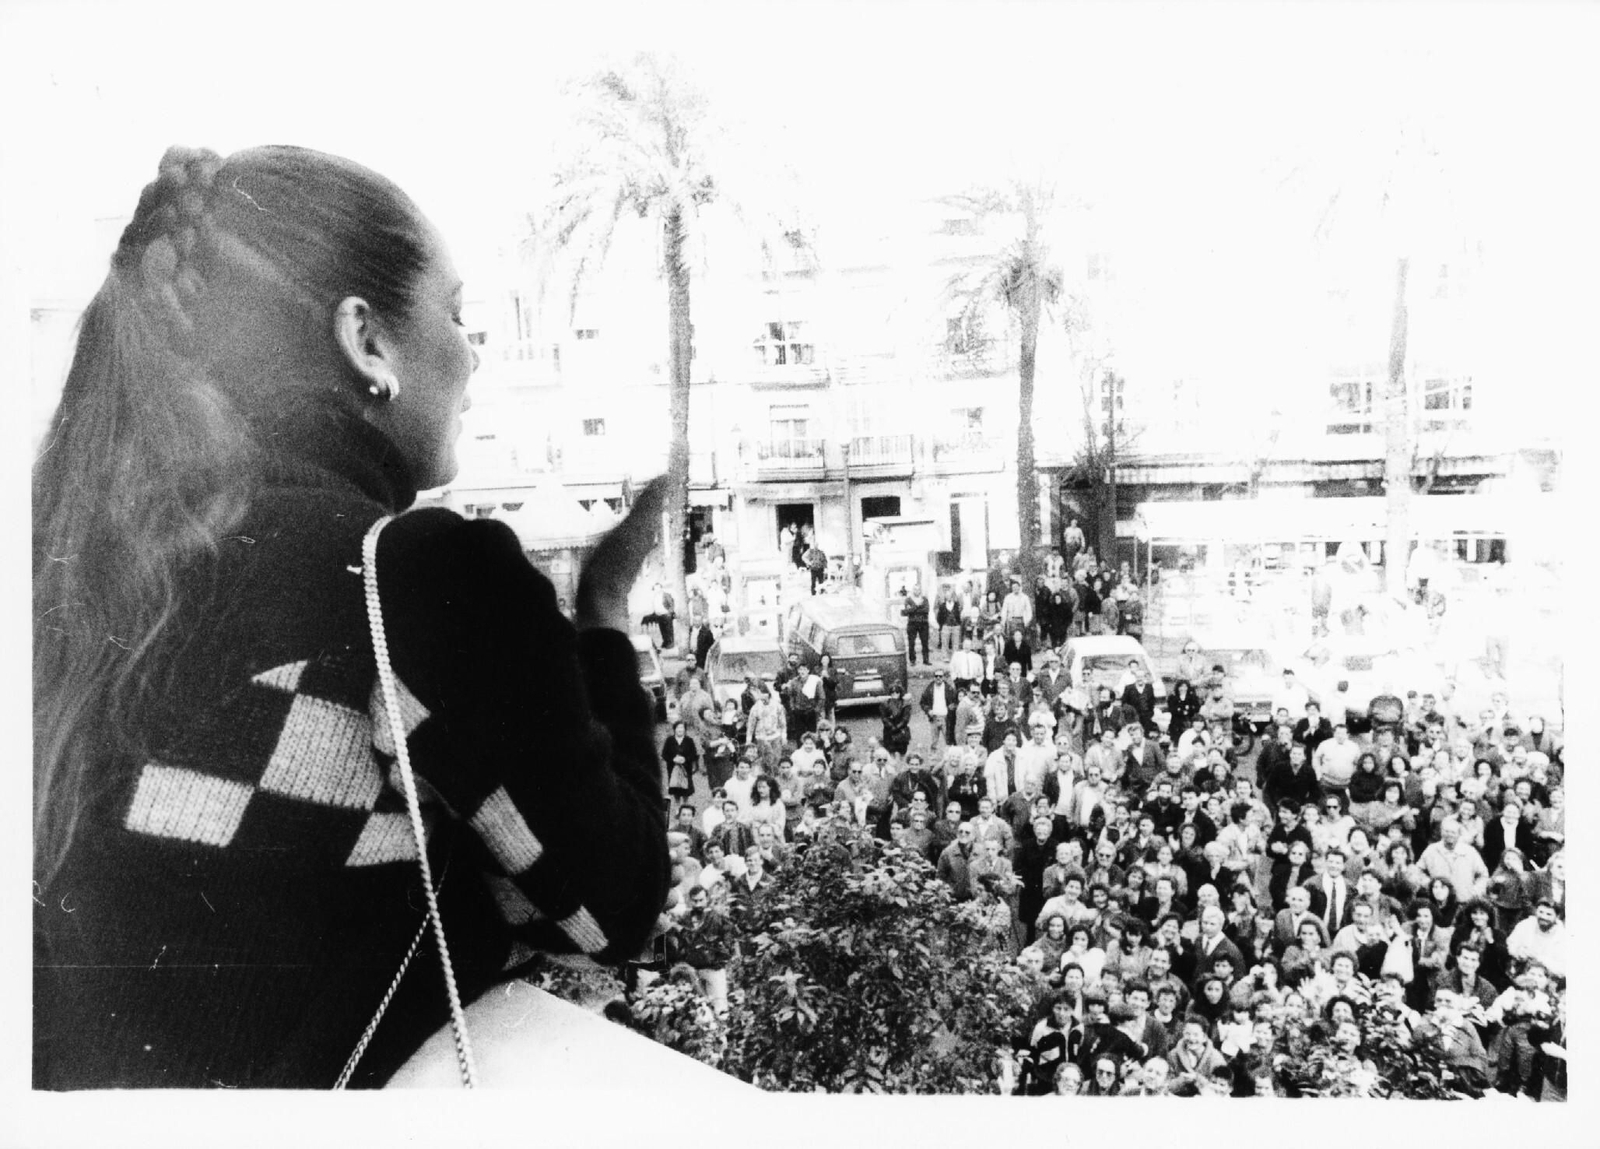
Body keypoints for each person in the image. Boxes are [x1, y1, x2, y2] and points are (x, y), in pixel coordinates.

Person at [31, 147, 671, 1088]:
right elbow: (613, 907)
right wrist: (604, 614)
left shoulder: (88, 573)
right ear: (366, 341)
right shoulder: (423, 580)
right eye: (456, 315)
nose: (473, 351)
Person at [902, 584, 932, 666]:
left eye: (918, 589)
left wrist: (913, 608)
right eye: (915, 589)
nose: (917, 591)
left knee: (925, 643)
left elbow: (926, 610)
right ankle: (912, 660)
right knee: (911, 643)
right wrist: (918, 606)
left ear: (920, 590)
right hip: (912, 623)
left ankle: (926, 660)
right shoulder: (908, 600)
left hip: (923, 623)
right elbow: (907, 611)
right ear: (913, 590)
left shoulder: (924, 599)